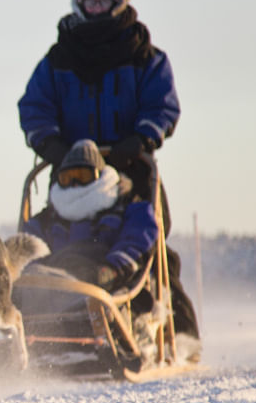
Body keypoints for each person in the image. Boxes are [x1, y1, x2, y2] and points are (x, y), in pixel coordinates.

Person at [18, 0, 180, 206]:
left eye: (103, 0)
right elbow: (35, 107)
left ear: (119, 0)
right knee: (49, 235)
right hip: (70, 171)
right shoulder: (58, 60)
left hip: (131, 167)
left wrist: (141, 139)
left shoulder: (144, 56)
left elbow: (161, 106)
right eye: (90, 1)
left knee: (149, 229)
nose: (96, 8)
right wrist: (51, 145)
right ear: (79, 3)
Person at [23, 139, 199, 345]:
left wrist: (112, 269)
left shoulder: (125, 208)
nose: (75, 184)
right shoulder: (48, 219)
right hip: (55, 283)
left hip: (105, 279)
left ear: (99, 176)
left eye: (83, 176)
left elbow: (137, 238)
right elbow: (26, 248)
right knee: (27, 287)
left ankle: (125, 336)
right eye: (67, 178)